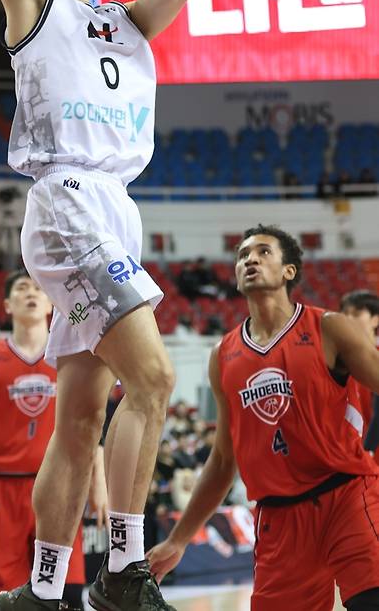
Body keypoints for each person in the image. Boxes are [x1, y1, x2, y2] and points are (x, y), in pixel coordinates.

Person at [0, 0, 195, 611]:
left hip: (114, 211)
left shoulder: (128, 21)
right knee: (159, 381)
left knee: (75, 423)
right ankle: (123, 572)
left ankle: (38, 590)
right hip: (68, 204)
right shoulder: (34, 9)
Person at [148, 224, 379, 611]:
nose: (250, 259)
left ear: (289, 271)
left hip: (347, 496)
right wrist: (178, 539)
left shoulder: (330, 327)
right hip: (278, 518)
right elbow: (223, 460)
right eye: (242, 256)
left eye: (263, 252)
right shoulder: (223, 355)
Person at [0, 270, 107, 611]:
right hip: (3, 488)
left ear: (50, 303)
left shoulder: (70, 354)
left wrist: (98, 483)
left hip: (60, 486)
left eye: (38, 288)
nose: (31, 292)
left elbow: (89, 422)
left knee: (68, 594)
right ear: (7, 305)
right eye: (21, 287)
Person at [340, 289, 379, 453]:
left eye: (356, 314)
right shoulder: (337, 360)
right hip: (348, 457)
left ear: (375, 319)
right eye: (344, 314)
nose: (348, 319)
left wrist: (368, 450)